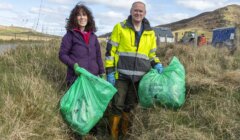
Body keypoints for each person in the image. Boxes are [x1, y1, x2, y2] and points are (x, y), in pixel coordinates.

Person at [105, 1, 164, 139]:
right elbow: (110, 51)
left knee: (130, 107)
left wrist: (157, 64)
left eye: (141, 11)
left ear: (145, 14)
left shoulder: (150, 33)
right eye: (135, 10)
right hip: (121, 75)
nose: (138, 13)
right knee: (117, 105)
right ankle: (113, 134)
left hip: (140, 78)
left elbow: (152, 55)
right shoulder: (120, 27)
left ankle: (125, 134)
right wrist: (110, 71)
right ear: (131, 11)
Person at [58, 3, 104, 139]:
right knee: (77, 107)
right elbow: (62, 55)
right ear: (74, 18)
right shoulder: (70, 36)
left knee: (91, 105)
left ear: (88, 18)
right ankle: (77, 133)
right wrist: (74, 66)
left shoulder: (93, 37)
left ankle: (92, 130)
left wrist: (101, 73)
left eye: (84, 14)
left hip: (92, 78)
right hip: (76, 78)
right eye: (78, 15)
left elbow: (98, 56)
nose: (82, 17)